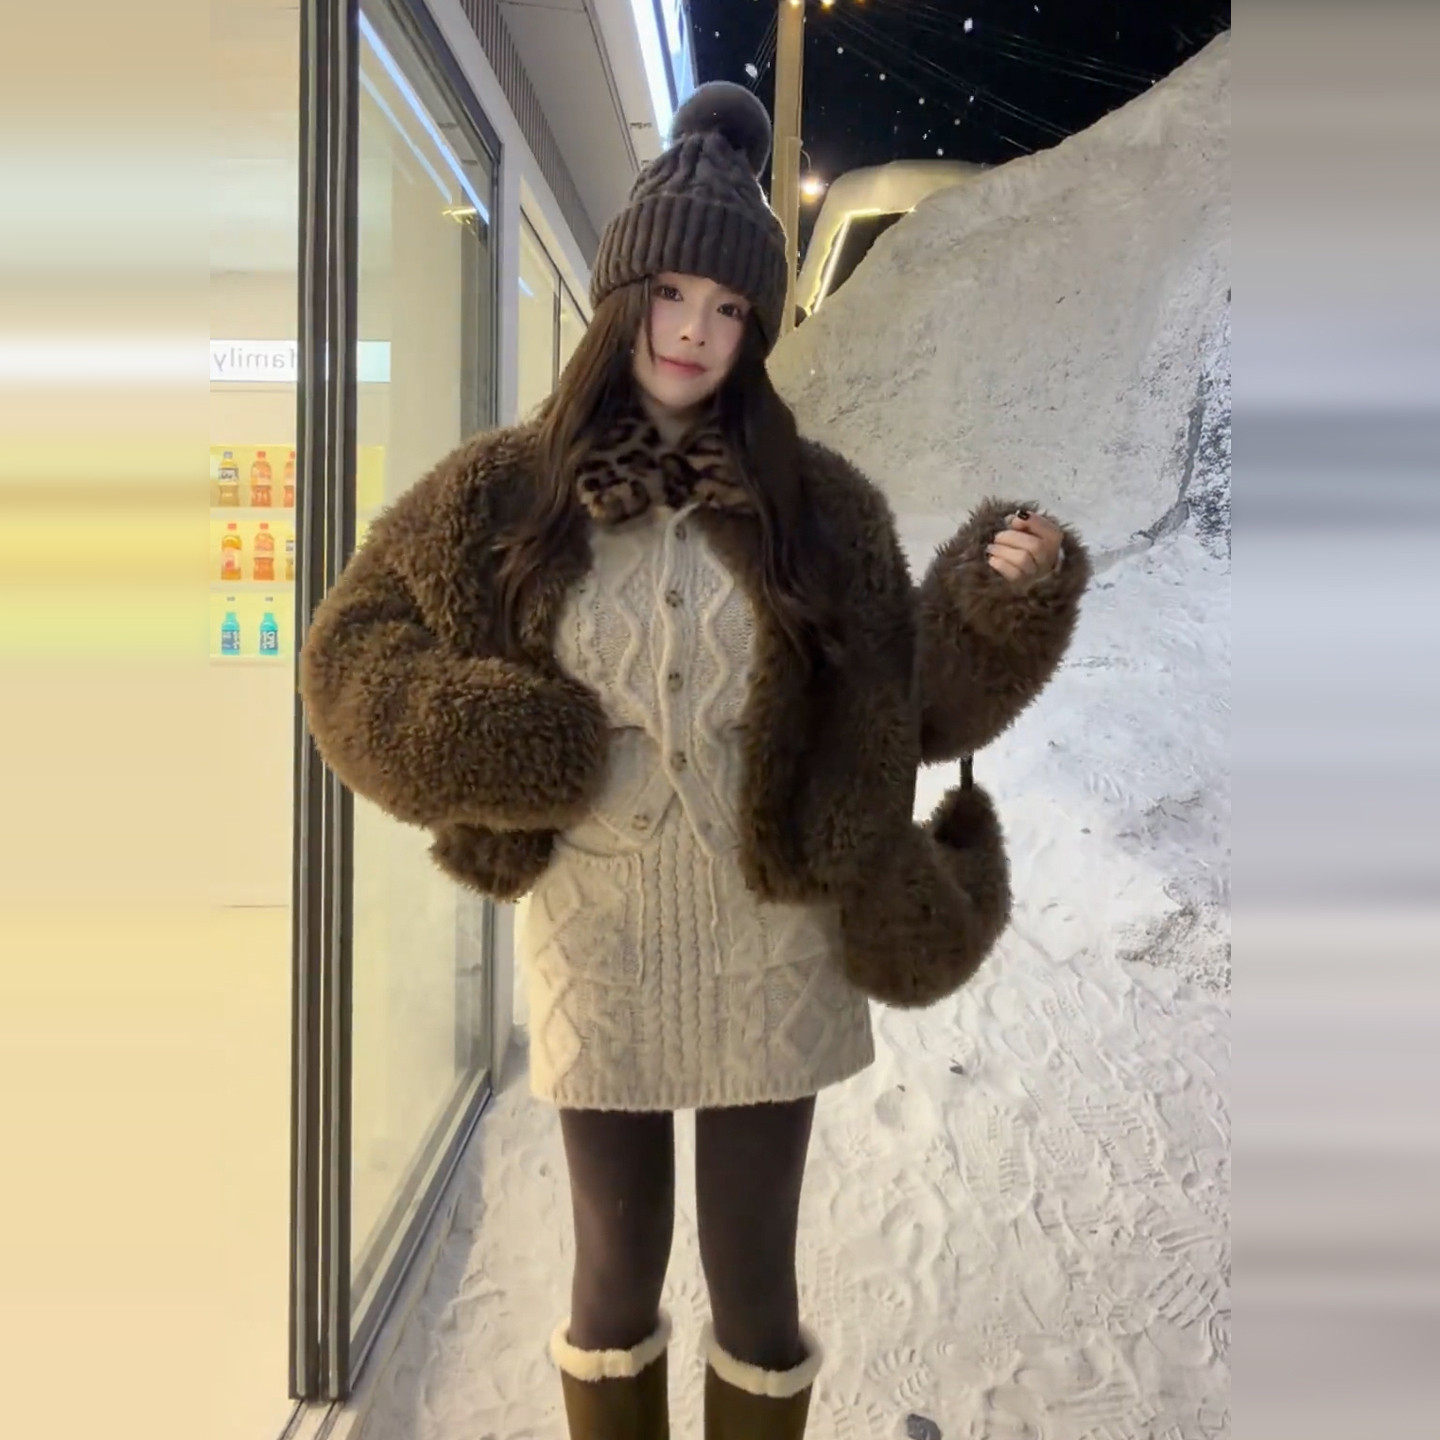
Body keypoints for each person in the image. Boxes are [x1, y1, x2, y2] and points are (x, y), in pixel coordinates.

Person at [299, 81, 1089, 1440]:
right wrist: (505, 741)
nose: (694, 332)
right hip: (595, 936)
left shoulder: (819, 506)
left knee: (756, 1285)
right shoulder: (504, 488)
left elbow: (910, 709)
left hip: (768, 940)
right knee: (611, 1276)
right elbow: (347, 657)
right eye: (671, 294)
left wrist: (999, 602)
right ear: (624, 295)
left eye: (729, 309)